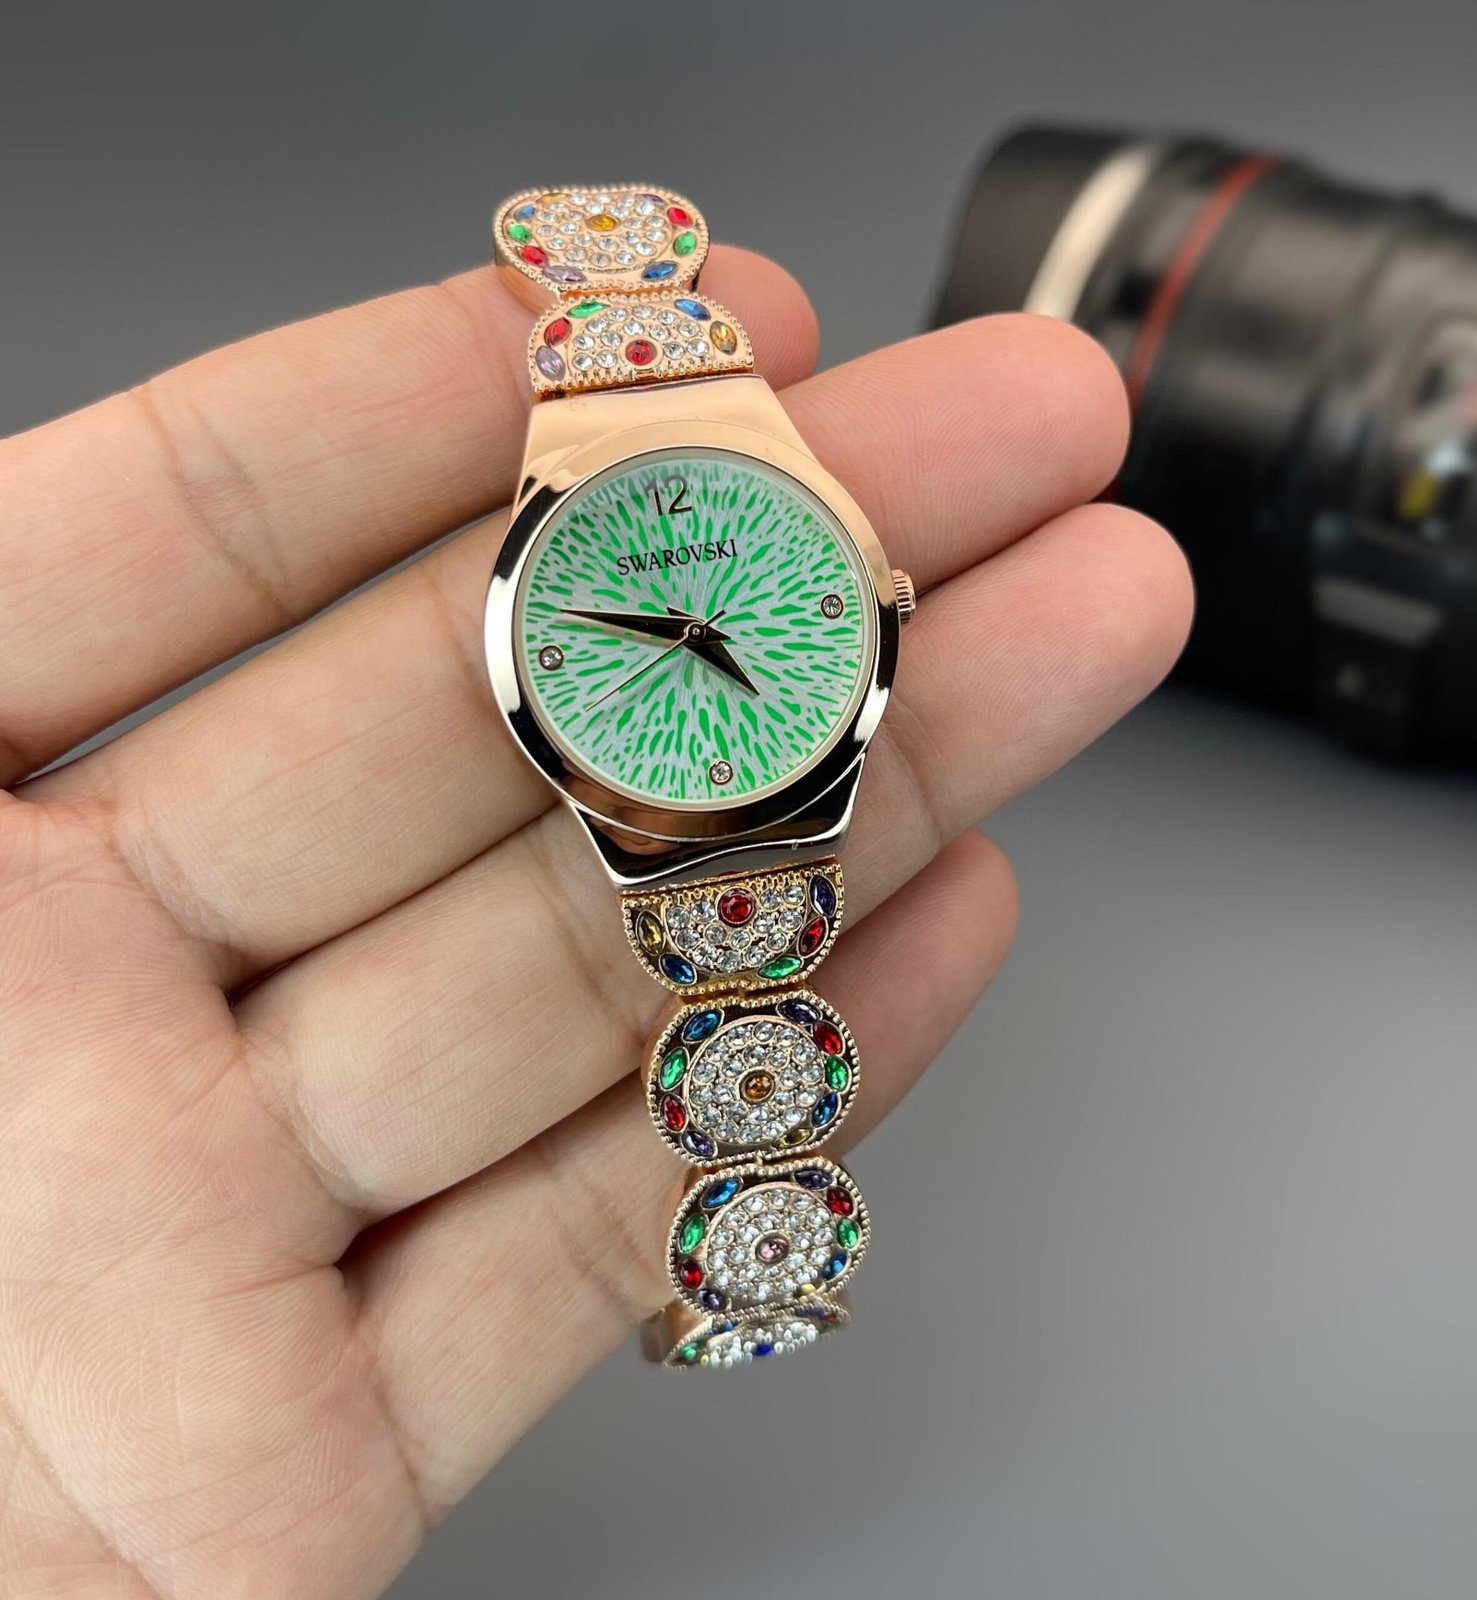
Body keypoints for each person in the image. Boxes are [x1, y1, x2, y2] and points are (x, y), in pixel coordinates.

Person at [0, 242, 1190, 1597]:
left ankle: (761, 1279)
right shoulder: (569, 591)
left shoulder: (796, 575)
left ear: (876, 591)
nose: (694, 630)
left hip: (792, 770)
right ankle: (754, 1277)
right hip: (672, 798)